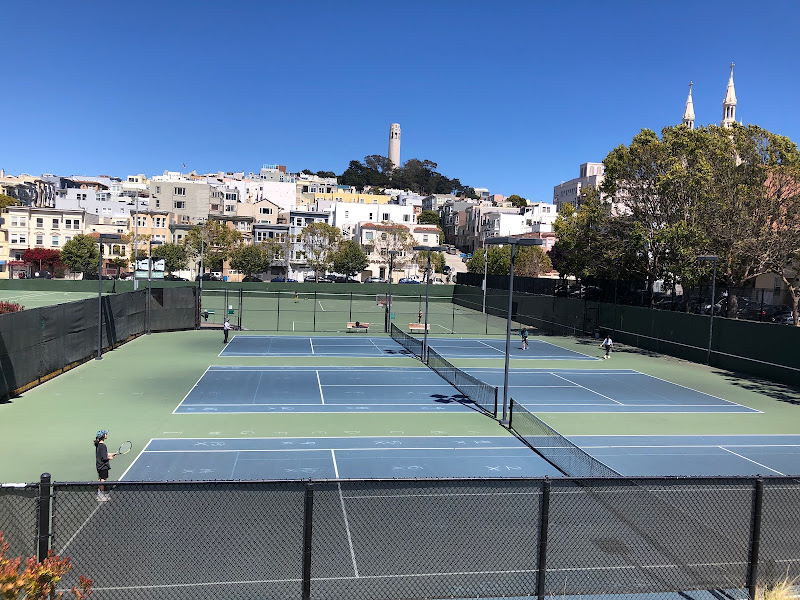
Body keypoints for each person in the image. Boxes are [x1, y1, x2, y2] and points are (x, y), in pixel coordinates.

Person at [94, 430, 116, 502]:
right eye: (105, 434)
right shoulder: (103, 446)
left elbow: (103, 454)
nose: (106, 435)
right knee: (103, 480)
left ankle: (100, 494)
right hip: (103, 466)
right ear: (103, 436)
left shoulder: (98, 445)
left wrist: (110, 454)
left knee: (100, 479)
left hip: (99, 465)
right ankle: (100, 496)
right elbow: (104, 458)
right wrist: (110, 458)